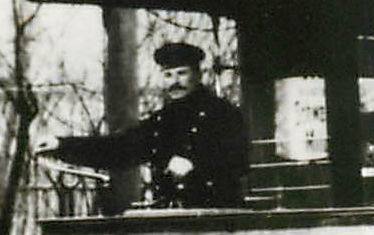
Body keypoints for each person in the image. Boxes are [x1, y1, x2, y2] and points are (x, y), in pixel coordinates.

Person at [47, 42, 249, 208]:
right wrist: (61, 145)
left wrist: (196, 167)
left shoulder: (222, 113)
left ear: (198, 74)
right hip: (171, 219)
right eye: (168, 75)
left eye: (182, 73)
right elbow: (119, 149)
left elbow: (239, 160)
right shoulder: (162, 121)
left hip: (219, 217)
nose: (174, 82)